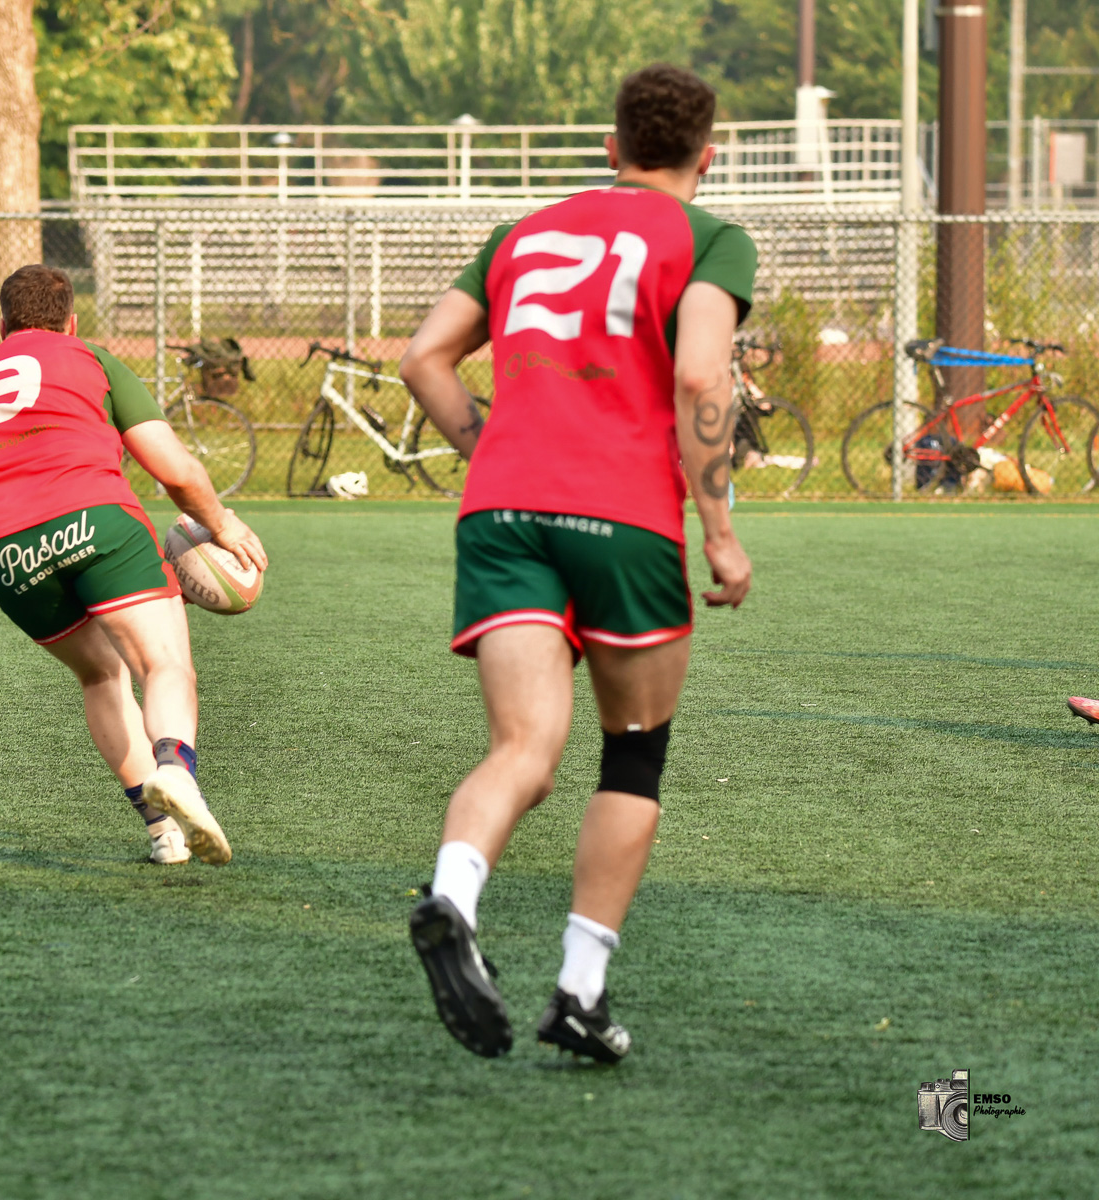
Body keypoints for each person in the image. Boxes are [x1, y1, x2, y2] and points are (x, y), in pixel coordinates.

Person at [397, 64, 757, 1063]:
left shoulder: (523, 233)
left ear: (610, 149)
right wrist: (720, 532)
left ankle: (454, 897)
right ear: (706, 156)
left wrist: (491, 446)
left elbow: (424, 357)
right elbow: (698, 375)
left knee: (523, 750)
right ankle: (581, 992)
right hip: (625, 517)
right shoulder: (712, 239)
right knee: (632, 756)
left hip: (503, 509)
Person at [0, 265, 268, 865]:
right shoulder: (90, 358)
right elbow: (173, 470)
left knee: (100, 676)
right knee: (163, 663)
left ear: (1, 325)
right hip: (93, 517)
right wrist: (223, 525)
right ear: (71, 321)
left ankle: (163, 834)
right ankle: (174, 768)